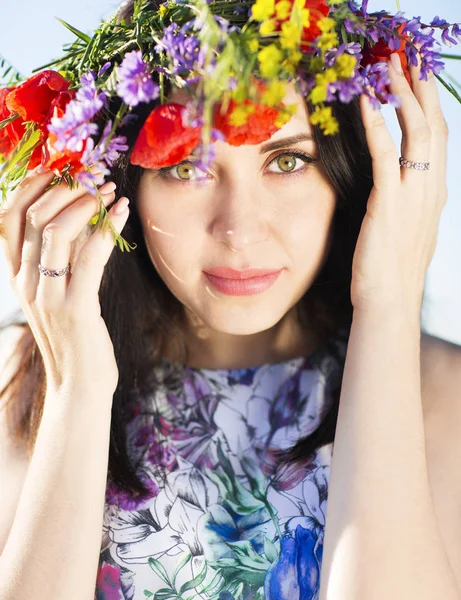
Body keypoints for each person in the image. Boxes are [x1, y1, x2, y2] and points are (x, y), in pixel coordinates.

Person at [0, 0, 460, 598]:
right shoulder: (18, 384)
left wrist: (391, 308)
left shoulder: (443, 392)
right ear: (117, 186)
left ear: (354, 172)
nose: (239, 230)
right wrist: (76, 391)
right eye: (188, 167)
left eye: (287, 160)